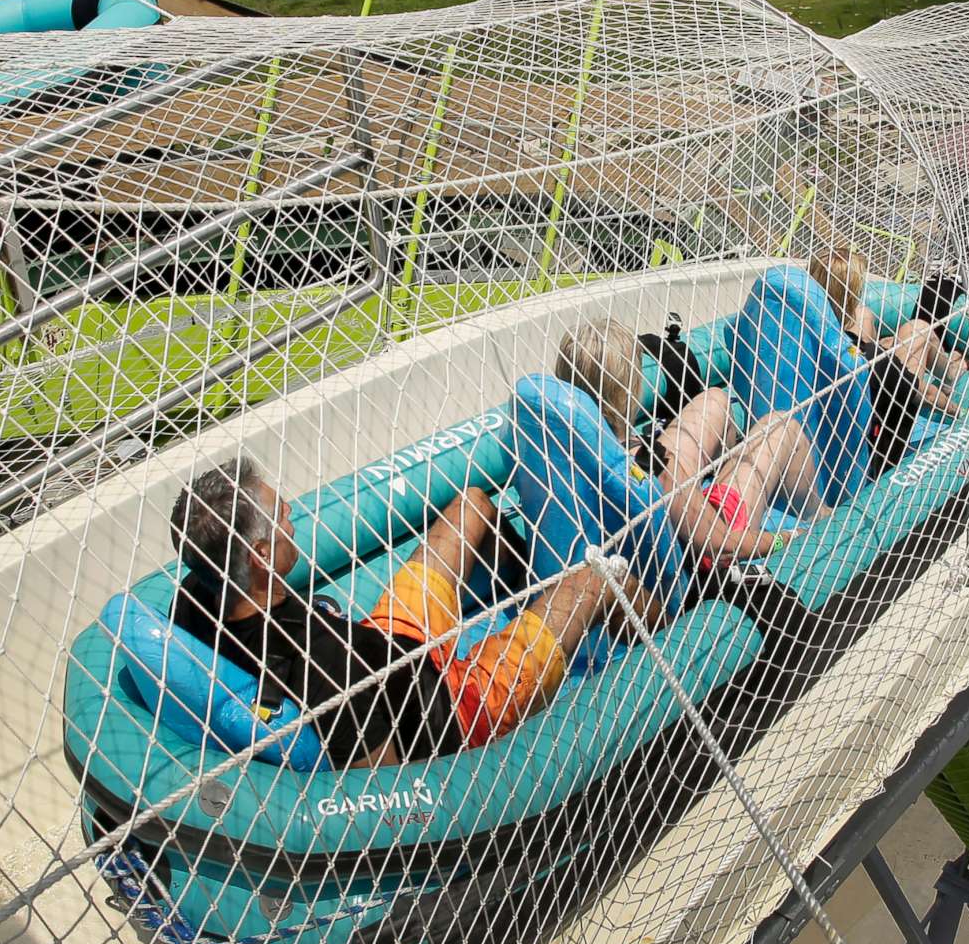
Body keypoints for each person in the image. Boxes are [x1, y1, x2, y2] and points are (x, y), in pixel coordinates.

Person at [168, 460, 655, 766]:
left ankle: (523, 593)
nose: (293, 511)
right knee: (597, 580)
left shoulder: (197, 595)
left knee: (473, 505)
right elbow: (388, 781)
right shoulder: (326, 666)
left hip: (386, 645)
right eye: (282, 517)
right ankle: (674, 623)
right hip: (452, 708)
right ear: (258, 556)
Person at [555, 319, 820, 567]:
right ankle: (819, 517)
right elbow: (723, 546)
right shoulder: (654, 466)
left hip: (680, 523)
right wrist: (785, 537)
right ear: (631, 386)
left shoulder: (564, 451)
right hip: (710, 548)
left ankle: (716, 484)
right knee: (783, 425)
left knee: (715, 398)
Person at [810, 249, 964, 475]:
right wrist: (962, 413)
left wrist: (881, 350)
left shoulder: (806, 334)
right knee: (919, 329)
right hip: (880, 450)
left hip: (847, 414)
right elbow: (928, 396)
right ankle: (952, 370)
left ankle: (947, 367)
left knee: (868, 316)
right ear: (853, 294)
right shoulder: (866, 359)